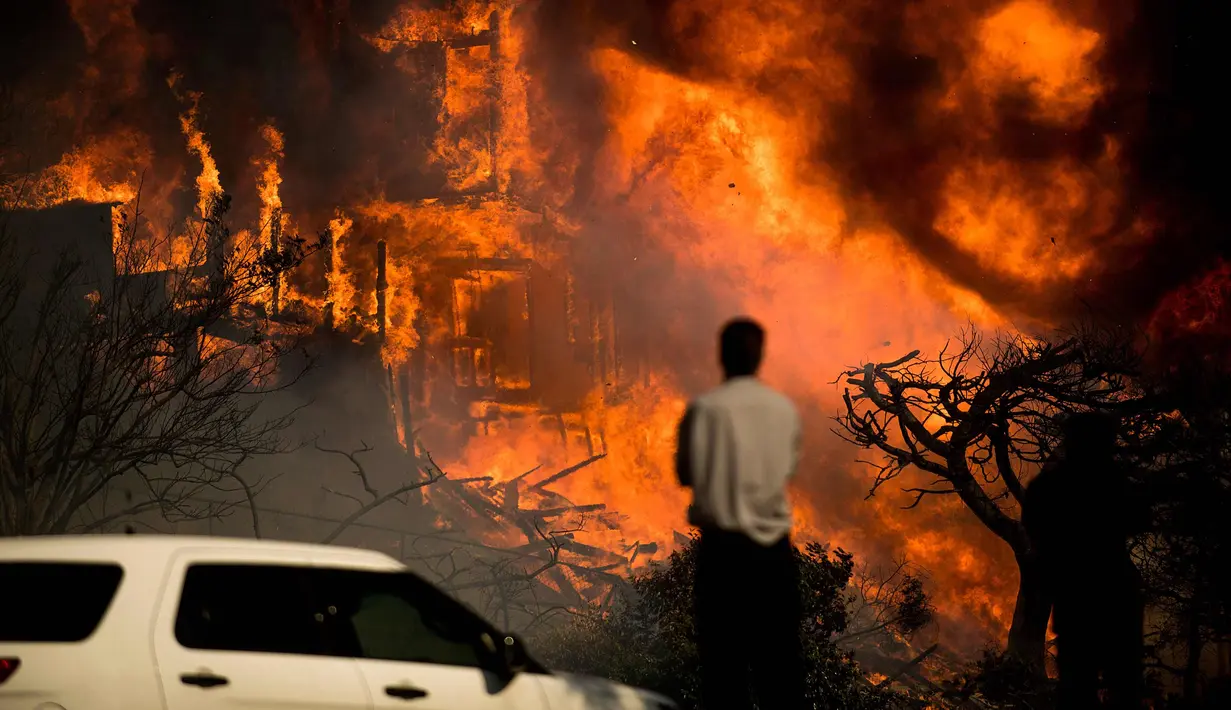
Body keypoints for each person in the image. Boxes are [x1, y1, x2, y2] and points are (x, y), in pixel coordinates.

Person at [675, 317, 806, 710]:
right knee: (779, 674)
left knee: (723, 676)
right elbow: (786, 469)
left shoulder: (704, 409)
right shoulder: (782, 409)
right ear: (760, 357)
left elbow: (685, 472)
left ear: (721, 355)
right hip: (772, 558)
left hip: (723, 558)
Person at [1022, 411, 1149, 710]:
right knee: (1124, 683)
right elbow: (1138, 519)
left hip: (1074, 597)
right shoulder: (1117, 482)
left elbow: (1034, 531)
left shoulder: (1047, 485)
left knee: (1077, 685)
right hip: (1117, 593)